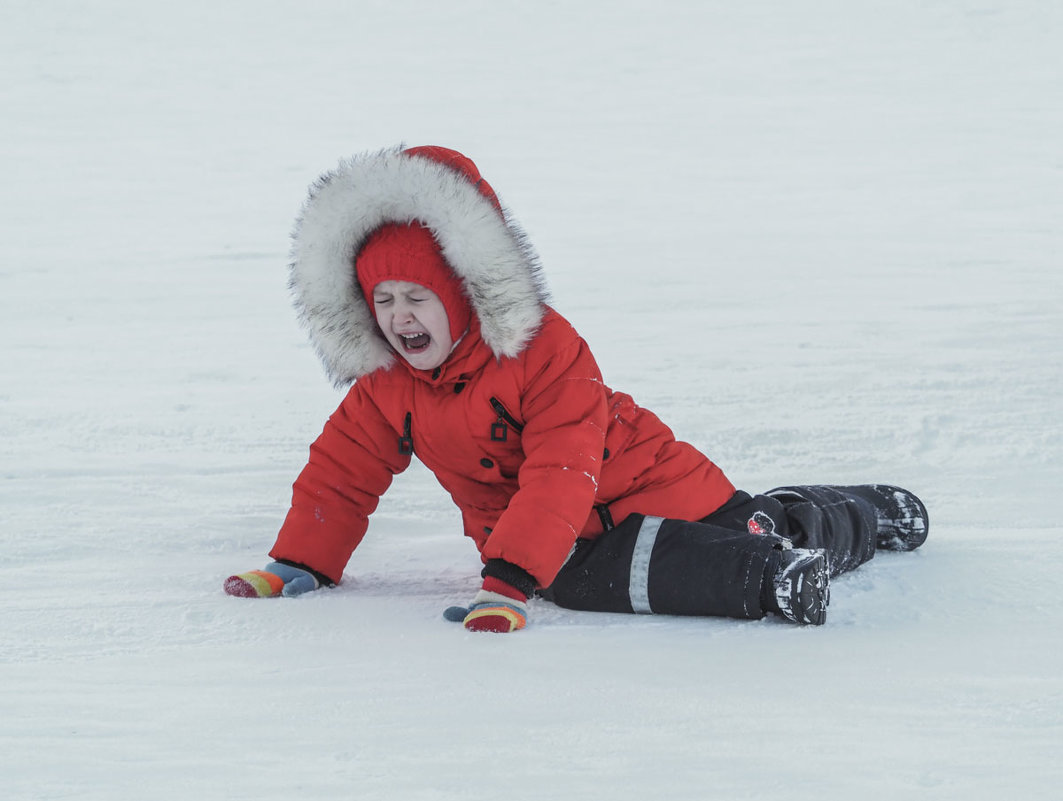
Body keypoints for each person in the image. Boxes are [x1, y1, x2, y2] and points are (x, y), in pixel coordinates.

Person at [224, 145, 928, 632]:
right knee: (580, 577)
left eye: (418, 295)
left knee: (766, 527)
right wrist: (299, 560)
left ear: (464, 295)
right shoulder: (385, 386)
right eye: (383, 301)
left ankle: (862, 518)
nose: (400, 316)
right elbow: (340, 474)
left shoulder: (544, 352)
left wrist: (506, 574)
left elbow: (561, 470)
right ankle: (770, 580)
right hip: (561, 548)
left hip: (662, 493)